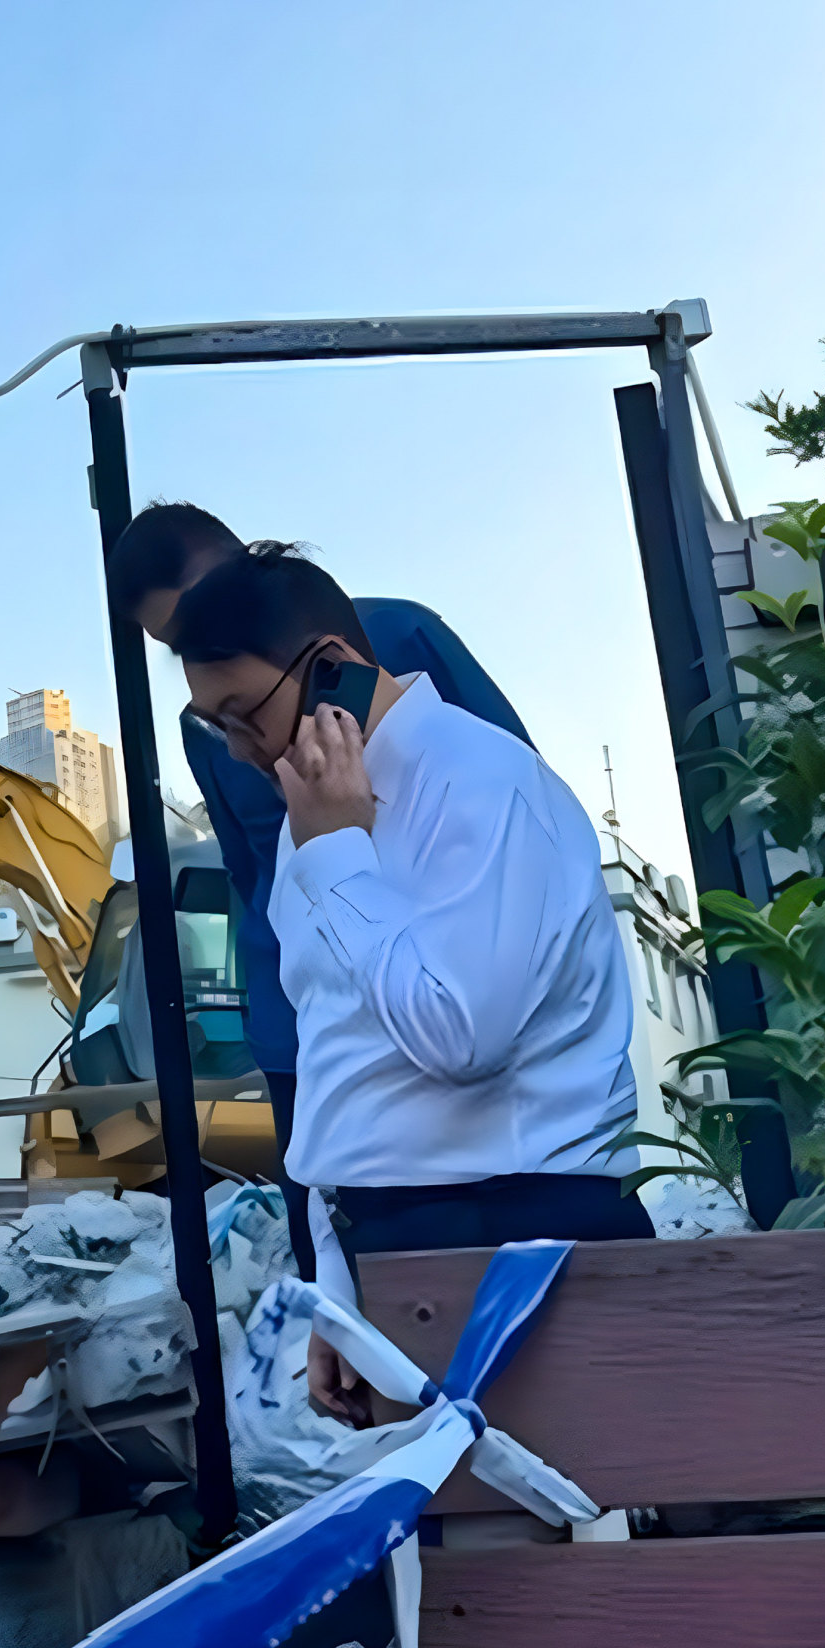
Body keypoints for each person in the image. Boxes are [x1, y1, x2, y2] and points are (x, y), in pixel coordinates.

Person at [163, 548, 645, 1422]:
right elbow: (333, 1055)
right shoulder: (309, 814)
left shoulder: (482, 784)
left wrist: (340, 851)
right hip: (391, 1240)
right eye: (214, 728)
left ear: (330, 671)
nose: (237, 754)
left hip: (510, 1231)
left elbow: (459, 1037)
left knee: (513, 1552)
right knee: (444, 1552)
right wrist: (337, 1286)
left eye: (242, 716)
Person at [109, 502, 531, 1271]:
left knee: (460, 1249)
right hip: (300, 1020)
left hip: (434, 986)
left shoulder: (397, 635)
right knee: (333, 1255)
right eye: (172, 645)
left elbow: (515, 786)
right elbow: (246, 867)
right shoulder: (204, 724)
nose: (240, 741)